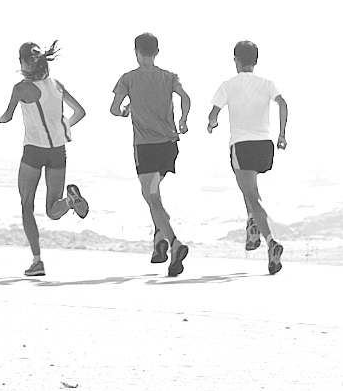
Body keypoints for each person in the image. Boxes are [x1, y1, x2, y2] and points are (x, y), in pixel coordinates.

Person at [0, 41, 88, 277]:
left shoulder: (22, 89)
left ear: (23, 62)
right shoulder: (57, 85)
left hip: (34, 151)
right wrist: (63, 127)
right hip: (58, 152)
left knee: (27, 205)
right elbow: (80, 112)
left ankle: (37, 261)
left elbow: (7, 116)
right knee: (53, 210)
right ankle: (69, 203)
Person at [111, 32, 194, 277]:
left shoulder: (128, 78)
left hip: (145, 146)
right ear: (157, 52)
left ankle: (174, 243)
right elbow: (186, 98)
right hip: (169, 145)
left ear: (136, 52)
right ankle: (159, 238)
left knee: (152, 197)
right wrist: (183, 120)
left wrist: (126, 110)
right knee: (150, 193)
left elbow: (114, 109)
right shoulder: (169, 77)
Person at [207, 40, 289, 275]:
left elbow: (213, 113)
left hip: (241, 145)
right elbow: (283, 104)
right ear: (255, 61)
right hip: (265, 145)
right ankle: (252, 229)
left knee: (252, 197)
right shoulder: (267, 83)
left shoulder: (228, 85)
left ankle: (271, 241)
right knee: (251, 190)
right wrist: (282, 134)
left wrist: (212, 124)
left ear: (236, 60)